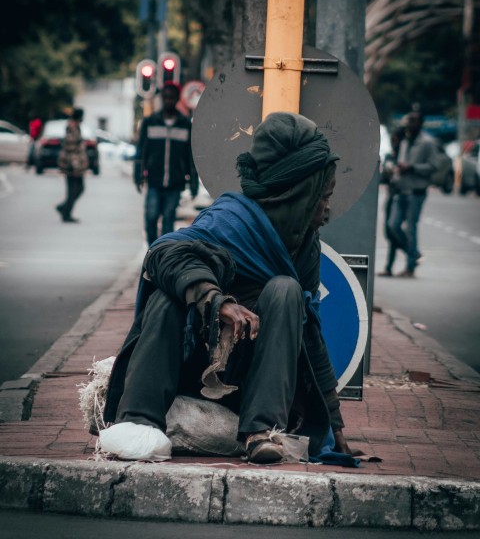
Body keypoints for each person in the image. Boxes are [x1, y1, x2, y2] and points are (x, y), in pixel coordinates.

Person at [100, 112, 354, 465]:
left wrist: (333, 422)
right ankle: (139, 420)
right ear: (299, 192)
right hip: (194, 369)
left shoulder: (305, 247)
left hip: (249, 387)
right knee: (169, 294)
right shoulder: (231, 221)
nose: (326, 210)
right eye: (323, 197)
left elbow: (310, 331)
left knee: (286, 290)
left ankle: (260, 432)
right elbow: (163, 253)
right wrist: (215, 300)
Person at [134, 82, 199, 245]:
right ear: (162, 98)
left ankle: (163, 255)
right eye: (166, 97)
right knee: (150, 217)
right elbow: (141, 151)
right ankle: (152, 249)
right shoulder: (150, 122)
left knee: (168, 221)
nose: (169, 100)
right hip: (154, 181)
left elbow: (191, 157)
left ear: (177, 99)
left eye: (172, 97)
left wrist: (193, 183)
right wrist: (138, 174)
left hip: (175, 183)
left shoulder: (185, 125)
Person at [385, 111, 438, 278]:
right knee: (392, 226)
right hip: (400, 190)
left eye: (414, 121)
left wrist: (412, 167)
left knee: (411, 229)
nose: (410, 124)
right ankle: (413, 254)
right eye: (409, 121)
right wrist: (396, 171)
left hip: (416, 192)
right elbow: (398, 160)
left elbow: (432, 166)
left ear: (421, 124)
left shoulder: (427, 143)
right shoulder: (404, 141)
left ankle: (410, 267)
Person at [56, 108, 88, 223]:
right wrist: (74, 165)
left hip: (76, 165)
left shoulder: (75, 126)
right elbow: (70, 147)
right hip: (72, 165)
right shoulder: (72, 127)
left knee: (78, 189)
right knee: (74, 190)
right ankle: (66, 213)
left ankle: (64, 209)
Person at [377, 128, 402, 277]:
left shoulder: (404, 155)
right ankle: (390, 266)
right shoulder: (390, 156)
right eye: (392, 140)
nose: (393, 143)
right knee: (389, 231)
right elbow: (383, 179)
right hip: (391, 195)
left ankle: (411, 252)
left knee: (393, 229)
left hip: (401, 196)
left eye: (396, 140)